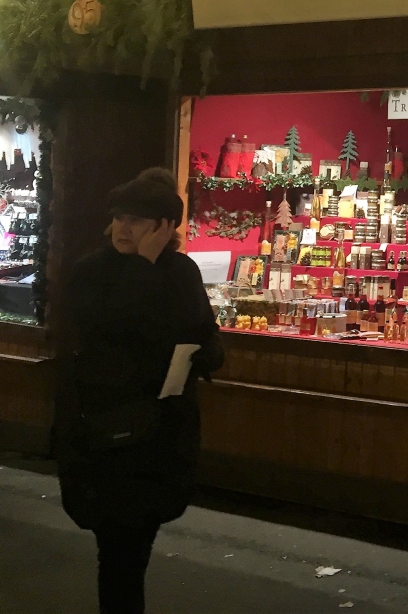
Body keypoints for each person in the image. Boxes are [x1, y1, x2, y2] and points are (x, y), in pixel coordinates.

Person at [55, 168, 224, 614]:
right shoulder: (93, 271)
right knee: (119, 553)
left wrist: (206, 353)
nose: (124, 228)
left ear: (164, 228)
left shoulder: (181, 271)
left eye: (137, 220)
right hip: (108, 431)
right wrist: (141, 266)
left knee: (134, 548)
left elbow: (203, 329)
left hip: (161, 433)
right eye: (119, 218)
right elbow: (104, 326)